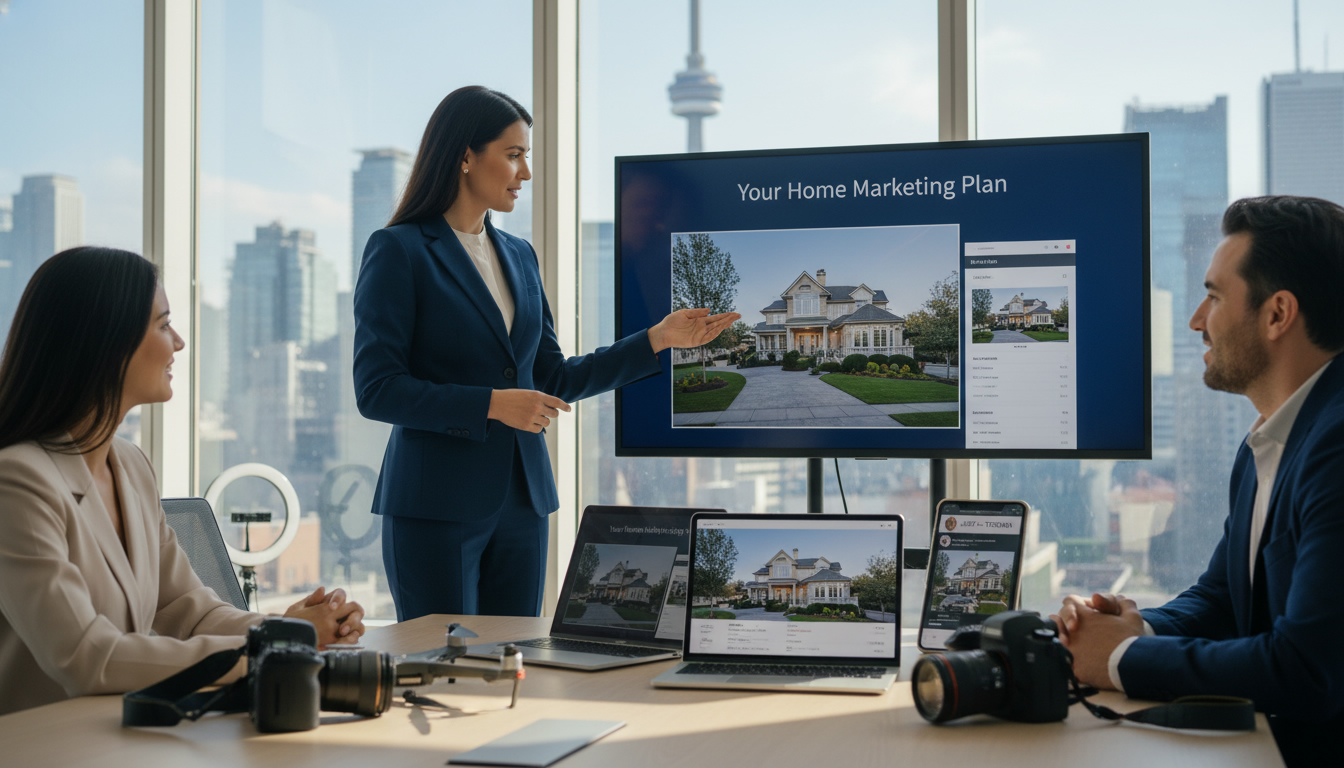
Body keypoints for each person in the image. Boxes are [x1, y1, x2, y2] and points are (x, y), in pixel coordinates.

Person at [353, 86, 738, 621]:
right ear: (465, 155)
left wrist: (657, 339)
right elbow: (377, 390)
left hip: (523, 502)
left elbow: (553, 375)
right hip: (435, 507)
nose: (525, 173)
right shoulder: (399, 250)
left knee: (512, 663)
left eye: (526, 156)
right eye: (513, 155)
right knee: (444, 671)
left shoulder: (518, 255)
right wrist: (491, 404)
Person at [0, 247, 366, 716]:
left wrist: (287, 632)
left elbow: (190, 611)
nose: (179, 342)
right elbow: (87, 657)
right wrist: (265, 651)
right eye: (162, 324)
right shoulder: (18, 481)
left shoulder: (130, 465)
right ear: (105, 341)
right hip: (43, 748)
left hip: (119, 738)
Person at [1051, 196, 1344, 766]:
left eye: (1213, 296)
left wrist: (1120, 659)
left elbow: (1308, 670)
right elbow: (1223, 602)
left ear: (1277, 314)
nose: (1195, 320)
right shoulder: (1274, 438)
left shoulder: (1336, 445)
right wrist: (1125, 629)